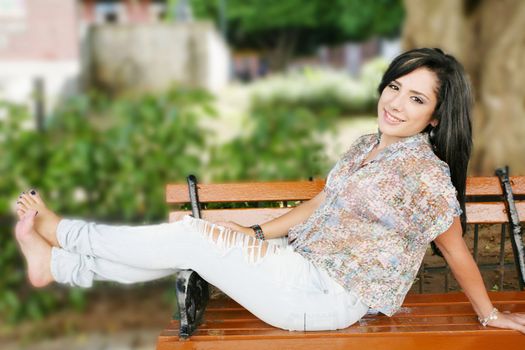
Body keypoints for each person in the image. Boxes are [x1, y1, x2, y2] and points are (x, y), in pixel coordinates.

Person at [14, 48, 525, 333]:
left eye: (415, 99)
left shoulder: (425, 176)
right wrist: (253, 231)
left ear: (434, 117)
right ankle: (57, 266)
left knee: (191, 235)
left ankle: (66, 235)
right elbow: (321, 203)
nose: (395, 103)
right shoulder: (366, 146)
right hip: (296, 269)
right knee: (186, 231)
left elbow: (456, 250)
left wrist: (490, 314)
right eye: (394, 86)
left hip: (326, 296)